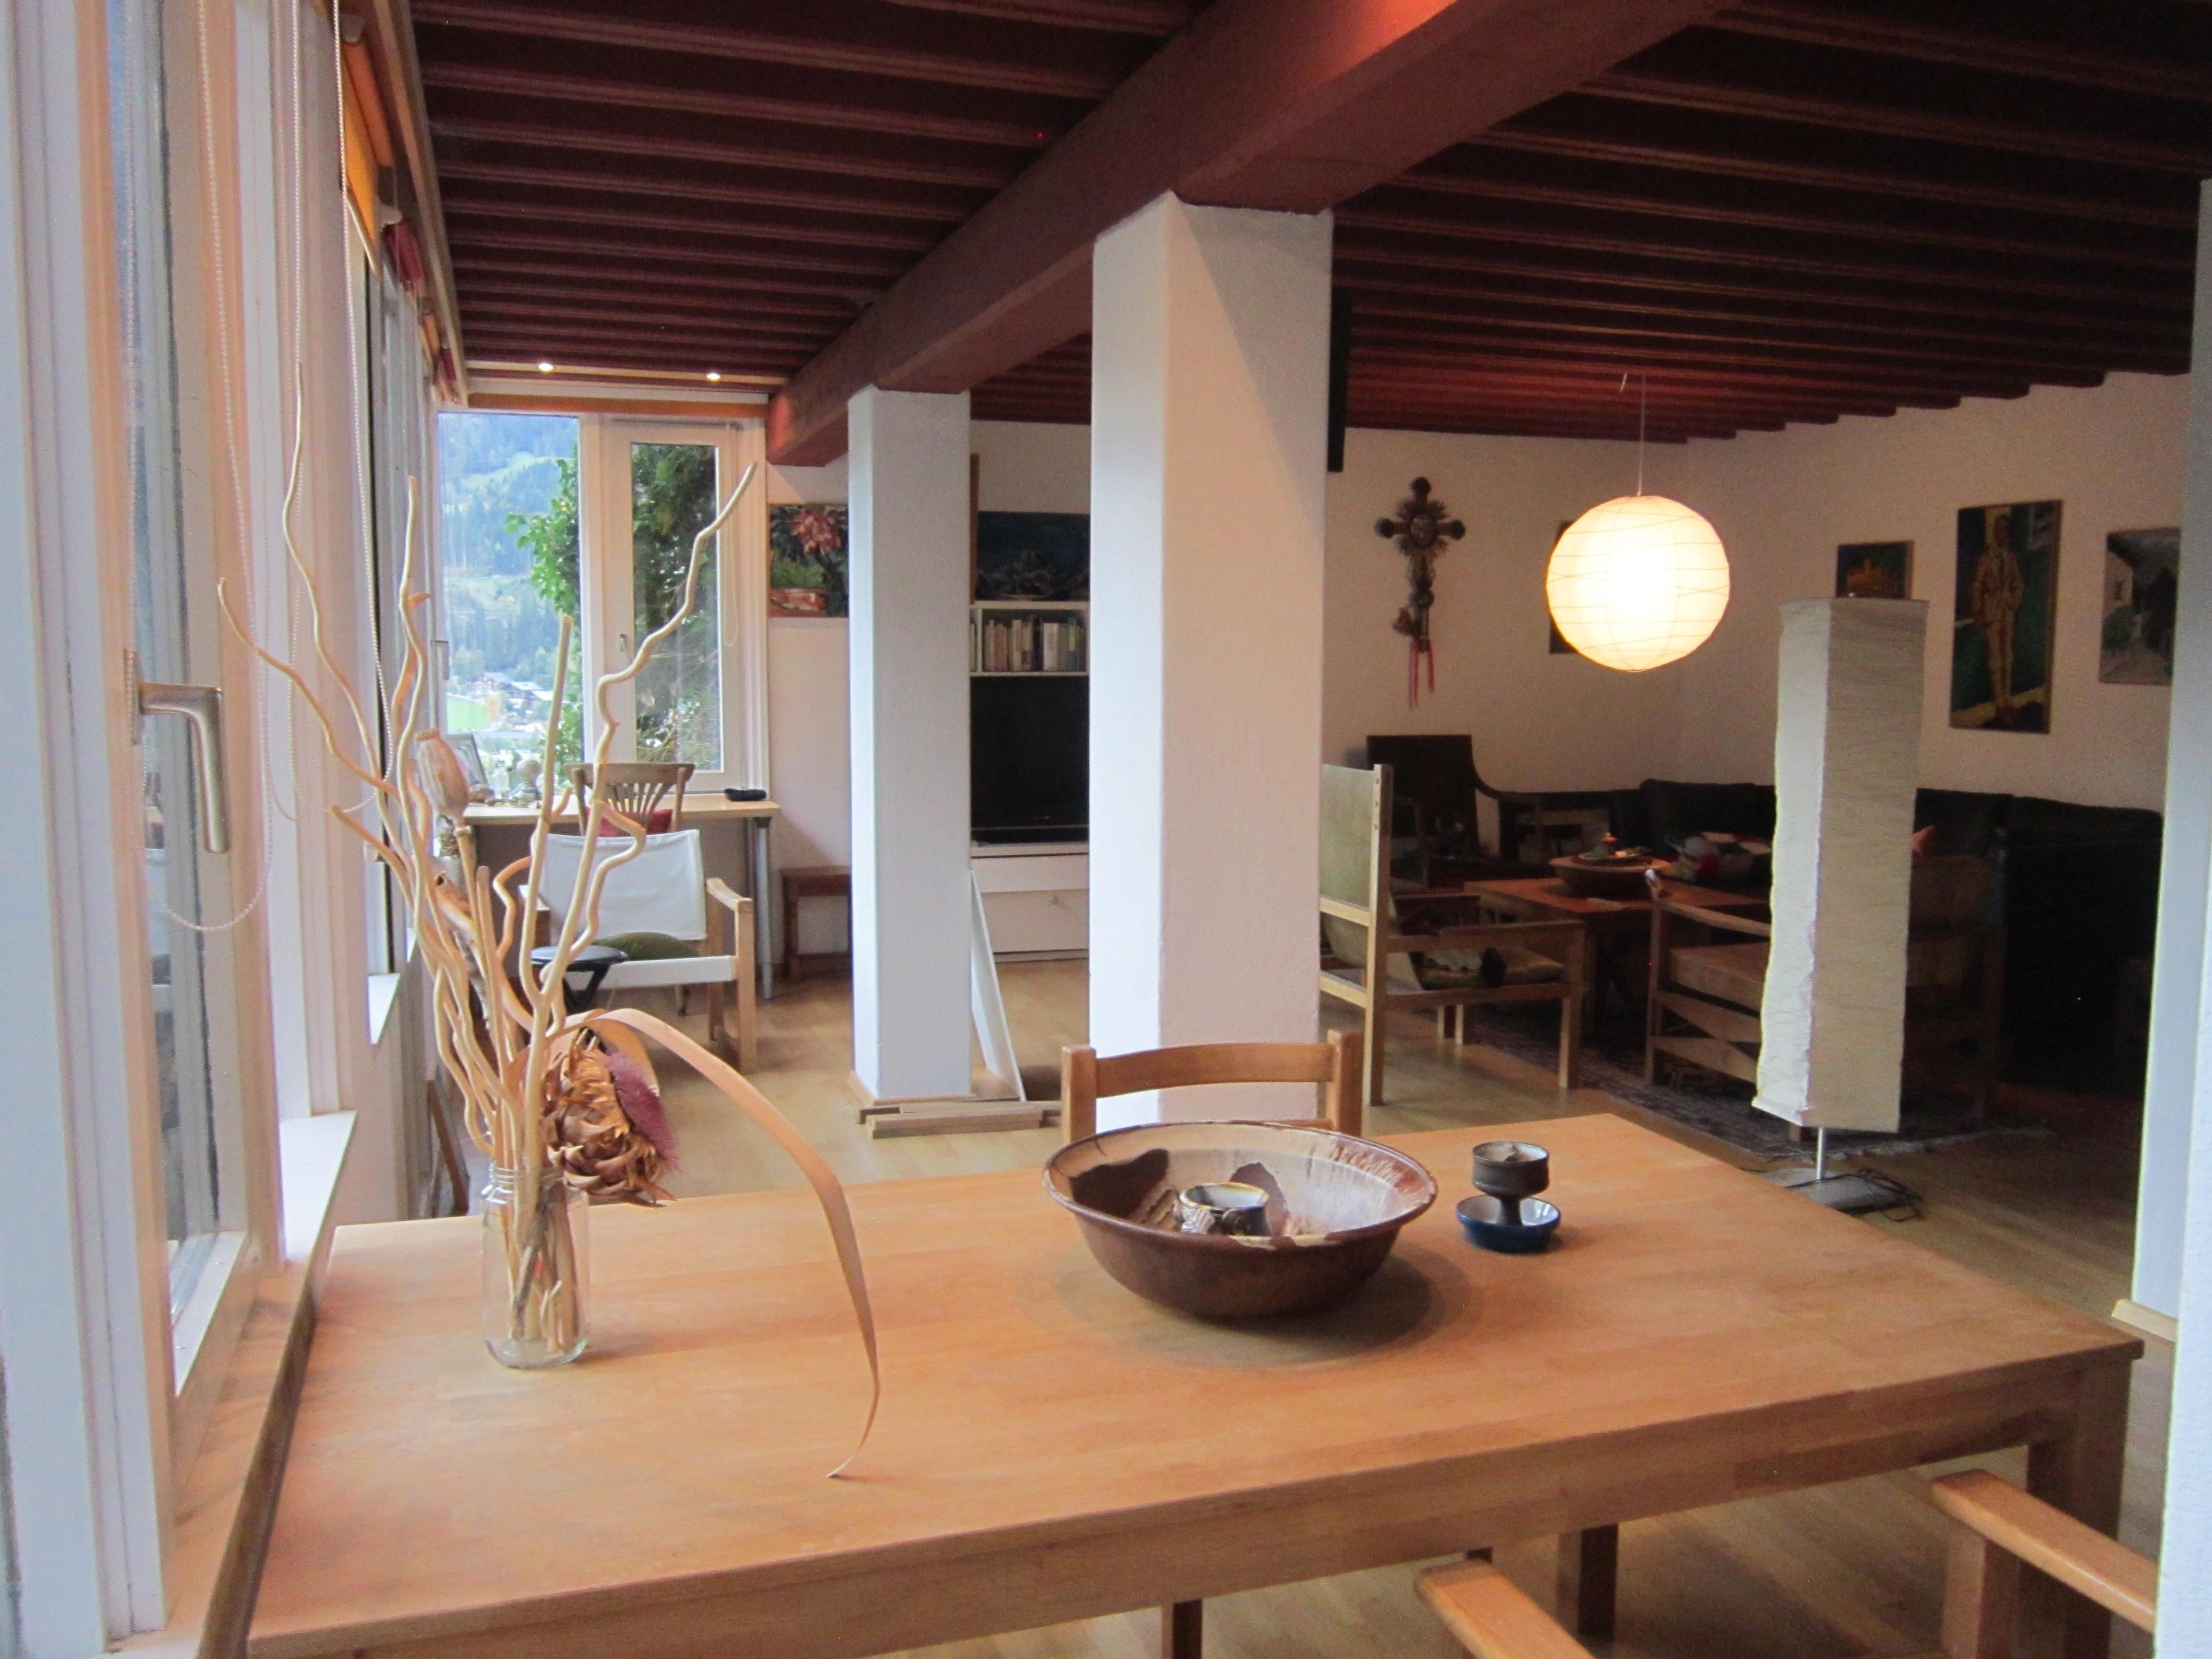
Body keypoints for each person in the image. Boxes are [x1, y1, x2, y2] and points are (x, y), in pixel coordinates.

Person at [1969, 509, 2024, 723]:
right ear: (1994, 532)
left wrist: (2014, 600)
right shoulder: (1986, 557)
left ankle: (2008, 699)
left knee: (2008, 656)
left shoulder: (2011, 558)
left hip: (2007, 612)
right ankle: (1999, 703)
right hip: (1991, 611)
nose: (2003, 533)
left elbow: (2018, 583)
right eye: (1999, 529)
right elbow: (1976, 585)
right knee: (1994, 658)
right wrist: (1978, 610)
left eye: (2006, 530)